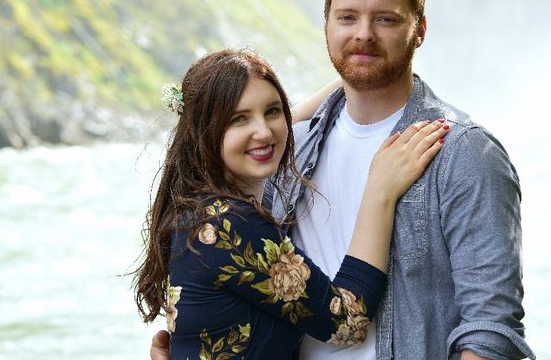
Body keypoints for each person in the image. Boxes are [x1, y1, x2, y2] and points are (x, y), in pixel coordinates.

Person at [150, 0, 535, 359]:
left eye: (385, 19)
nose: (363, 34)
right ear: (327, 26)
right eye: (347, 18)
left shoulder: (463, 152)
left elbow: (490, 329)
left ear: (419, 30)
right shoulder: (287, 151)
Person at [134, 49, 449, 359]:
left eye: (271, 111)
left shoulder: (194, 208)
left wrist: (354, 78)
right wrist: (380, 191)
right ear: (203, 132)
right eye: (238, 118)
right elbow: (348, 322)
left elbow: (266, 130)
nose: (263, 131)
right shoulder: (231, 223)